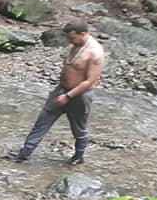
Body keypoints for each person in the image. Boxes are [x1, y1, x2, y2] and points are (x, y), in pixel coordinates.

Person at [7, 20, 107, 165]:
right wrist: (62, 92)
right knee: (42, 121)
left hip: (80, 95)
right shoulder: (75, 45)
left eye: (72, 38)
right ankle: (25, 153)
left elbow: (90, 81)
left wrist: (68, 96)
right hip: (60, 89)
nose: (69, 41)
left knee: (78, 127)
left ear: (83, 34)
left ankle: (79, 157)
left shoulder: (95, 52)